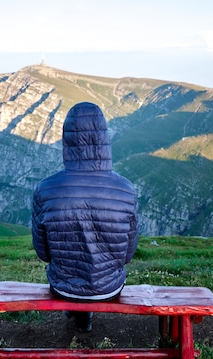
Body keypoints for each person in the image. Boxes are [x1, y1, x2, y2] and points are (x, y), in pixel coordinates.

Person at [31, 102, 139, 332]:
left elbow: (43, 253)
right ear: (104, 139)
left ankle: (78, 311)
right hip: (110, 287)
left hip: (63, 287)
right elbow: (127, 255)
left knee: (75, 275)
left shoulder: (46, 189)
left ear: (67, 140)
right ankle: (85, 314)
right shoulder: (126, 189)